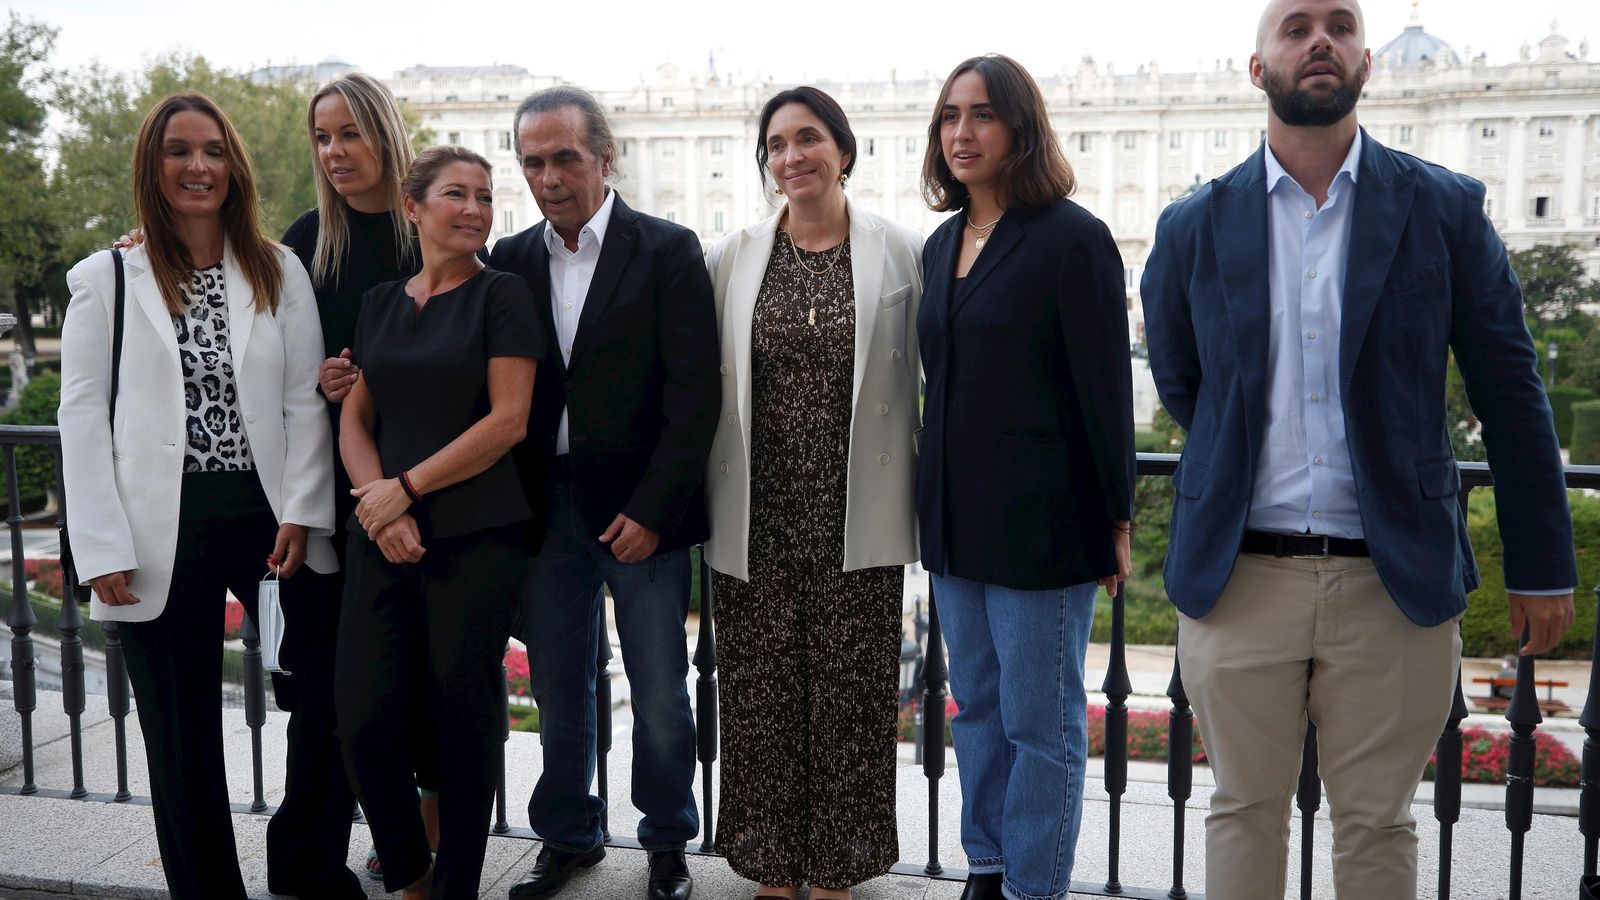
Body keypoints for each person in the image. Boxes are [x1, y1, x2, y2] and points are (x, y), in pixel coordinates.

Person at [1140, 1, 1579, 896]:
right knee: (1241, 810)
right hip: (1239, 575)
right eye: (1294, 27)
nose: (1319, 42)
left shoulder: (1445, 210)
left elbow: (1512, 392)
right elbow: (1186, 386)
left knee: (1378, 824)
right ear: (1257, 68)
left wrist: (1541, 564)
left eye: (1339, 25)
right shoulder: (1193, 226)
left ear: (1368, 61)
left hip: (1393, 577)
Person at [58, 92, 336, 900]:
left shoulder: (277, 268)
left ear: (234, 164)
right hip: (156, 534)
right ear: (153, 165)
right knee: (180, 743)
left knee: (324, 700)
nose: (198, 165)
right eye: (178, 150)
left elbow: (300, 403)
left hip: (269, 523)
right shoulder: (107, 277)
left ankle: (307, 868)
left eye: (212, 149)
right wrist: (101, 549)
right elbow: (83, 421)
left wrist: (301, 512)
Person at [489, 85, 719, 900]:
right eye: (532, 163)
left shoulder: (667, 250)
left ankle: (665, 843)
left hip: (642, 512)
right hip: (545, 509)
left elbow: (696, 399)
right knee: (557, 686)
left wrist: (653, 511)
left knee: (659, 690)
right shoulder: (508, 260)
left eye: (565, 158)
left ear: (605, 156)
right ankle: (570, 835)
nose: (548, 177)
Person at [914, 54, 1134, 900]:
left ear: (1020, 128)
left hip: (1045, 522)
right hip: (955, 518)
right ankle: (988, 864)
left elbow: (1104, 390)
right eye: (949, 117)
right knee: (975, 705)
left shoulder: (1073, 239)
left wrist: (1116, 520)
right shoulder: (940, 243)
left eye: (982, 115)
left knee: (1042, 724)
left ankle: (1033, 885)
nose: (962, 133)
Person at [702, 86, 923, 900]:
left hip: (856, 512)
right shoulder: (732, 255)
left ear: (843, 149)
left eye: (809, 138)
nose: (792, 156)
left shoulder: (900, 251)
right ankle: (770, 866)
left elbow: (940, 377)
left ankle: (834, 868)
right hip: (756, 513)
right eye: (777, 144)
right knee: (759, 701)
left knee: (853, 700)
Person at [334, 144, 544, 900]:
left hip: (476, 538)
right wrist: (377, 502)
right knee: (360, 718)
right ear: (413, 208)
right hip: (382, 536)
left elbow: (510, 420)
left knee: (462, 725)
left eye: (485, 196)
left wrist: (407, 489)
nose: (474, 209)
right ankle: (411, 876)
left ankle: (453, 887)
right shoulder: (382, 303)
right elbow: (355, 418)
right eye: (455, 194)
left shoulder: (504, 295)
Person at [278, 70, 435, 891]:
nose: (335, 152)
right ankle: (316, 857)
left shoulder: (431, 230)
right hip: (333, 500)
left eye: (349, 134)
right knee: (335, 691)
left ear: (383, 134)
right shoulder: (306, 239)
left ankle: (413, 839)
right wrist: (323, 384)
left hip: (426, 490)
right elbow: (269, 364)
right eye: (322, 138)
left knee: (413, 682)